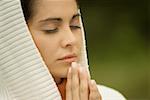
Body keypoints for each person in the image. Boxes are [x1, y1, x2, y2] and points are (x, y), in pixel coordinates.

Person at [0, 0, 126, 100]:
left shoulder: (111, 97)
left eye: (74, 25)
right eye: (51, 29)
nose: (71, 40)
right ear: (16, 36)